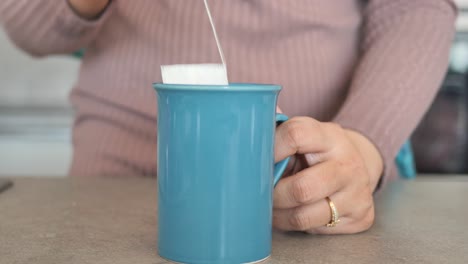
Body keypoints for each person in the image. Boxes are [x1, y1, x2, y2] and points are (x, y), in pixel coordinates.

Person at [0, 0, 457, 234]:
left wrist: (364, 144)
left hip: (321, 178)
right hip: (118, 184)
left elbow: (415, 9)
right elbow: (28, 24)